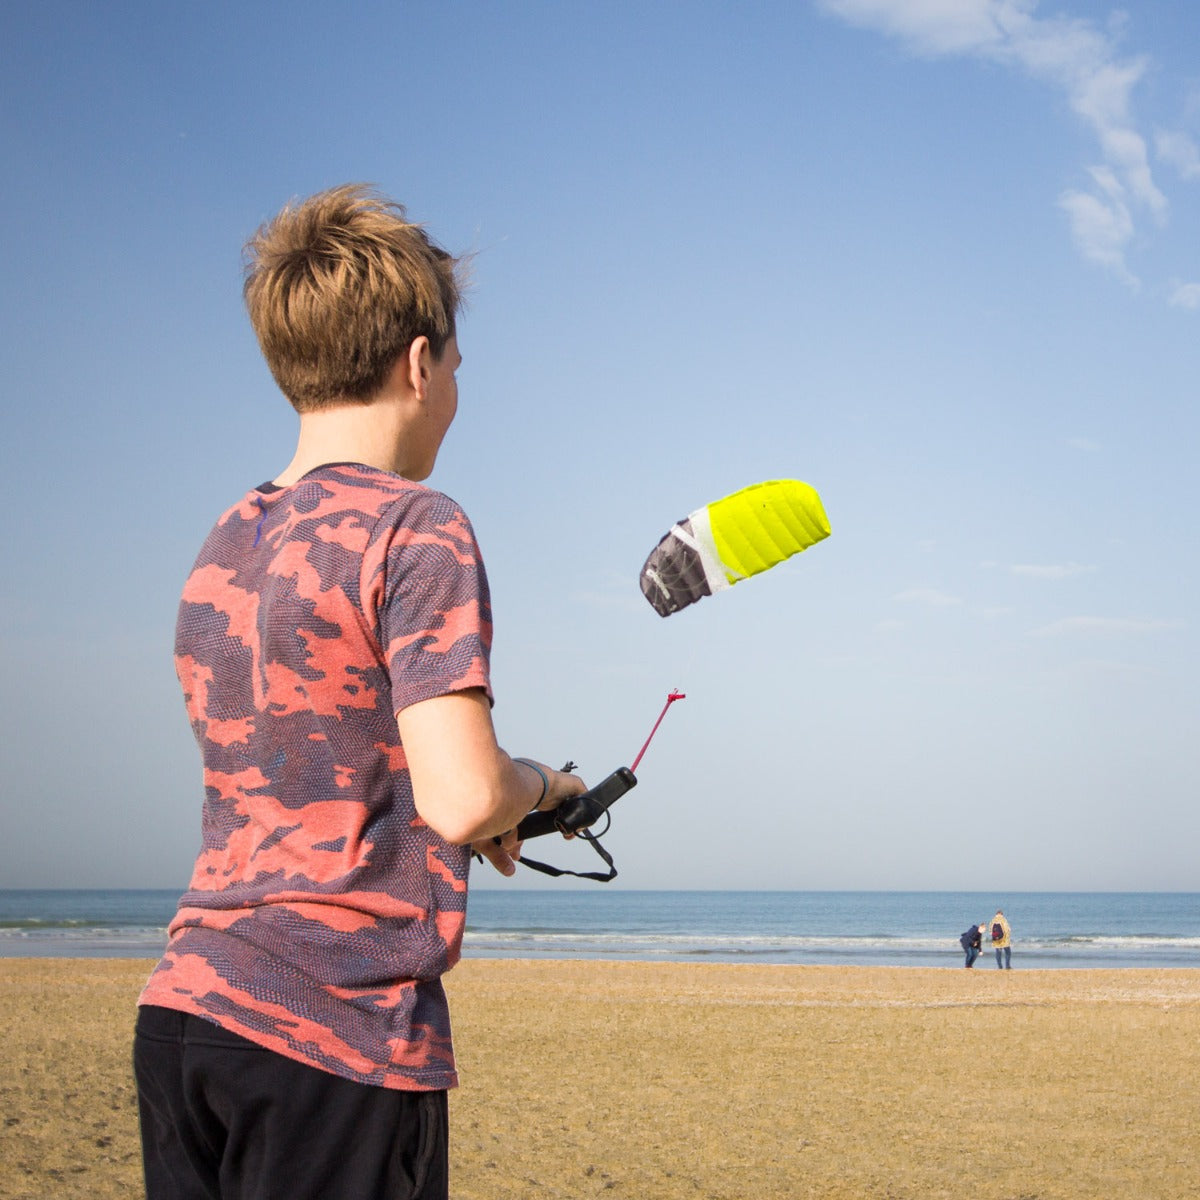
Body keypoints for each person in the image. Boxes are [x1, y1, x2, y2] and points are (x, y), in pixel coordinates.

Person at [133, 184, 587, 1200]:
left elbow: (310, 759)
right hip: (330, 1038)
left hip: (184, 1015)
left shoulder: (227, 539)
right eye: (458, 368)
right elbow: (465, 796)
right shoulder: (416, 524)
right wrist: (541, 788)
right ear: (420, 363)